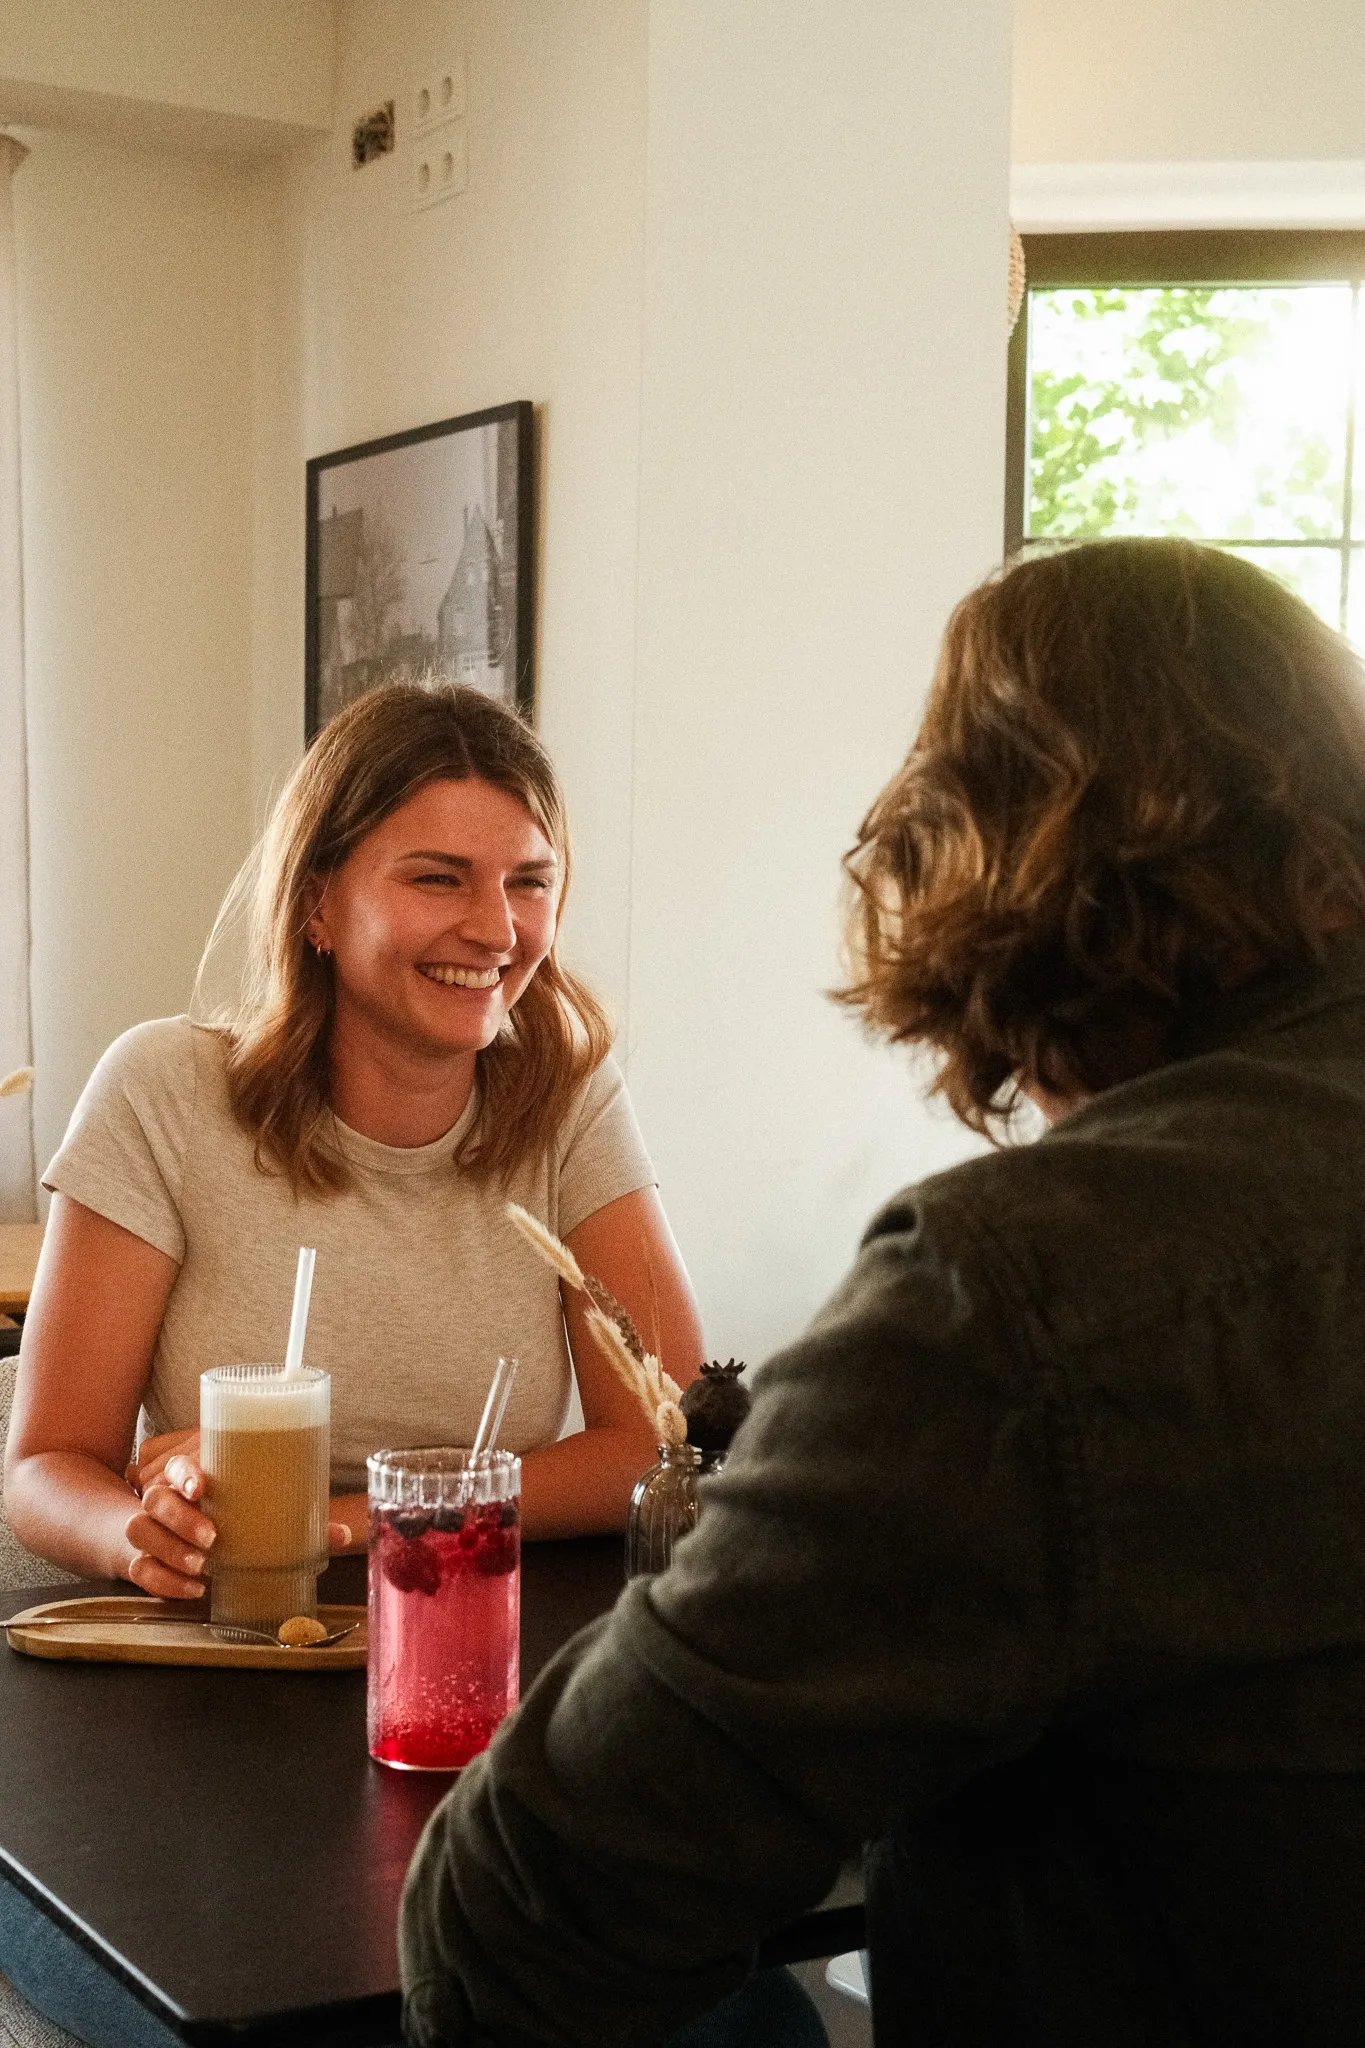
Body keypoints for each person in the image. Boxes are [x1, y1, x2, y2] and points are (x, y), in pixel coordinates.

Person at [397, 539, 1365, 2046]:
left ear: (979, 871)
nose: (495, 926)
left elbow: (520, 1923)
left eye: (523, 881)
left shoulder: (1019, 1301)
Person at [6, 680, 705, 1594]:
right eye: (437, 877)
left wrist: (342, 1522)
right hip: (233, 1629)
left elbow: (666, 1442)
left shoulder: (568, 1098)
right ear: (316, 905)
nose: (497, 929)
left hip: (470, 1618)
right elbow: (47, 1467)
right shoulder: (161, 1090)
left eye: (528, 881)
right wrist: (138, 1535)